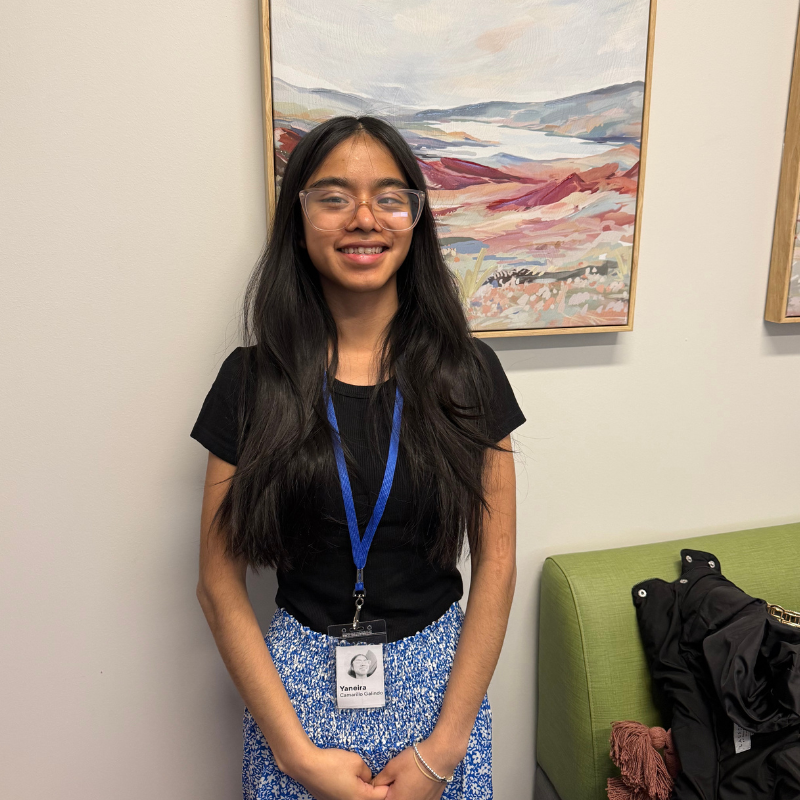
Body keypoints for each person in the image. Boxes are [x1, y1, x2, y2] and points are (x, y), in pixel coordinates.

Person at [191, 115, 525, 800]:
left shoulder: (470, 372)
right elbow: (217, 584)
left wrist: (443, 749)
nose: (364, 218)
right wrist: (296, 756)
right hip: (295, 701)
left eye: (389, 197)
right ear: (299, 215)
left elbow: (497, 563)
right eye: (334, 195)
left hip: (440, 692)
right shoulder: (251, 380)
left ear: (416, 217)